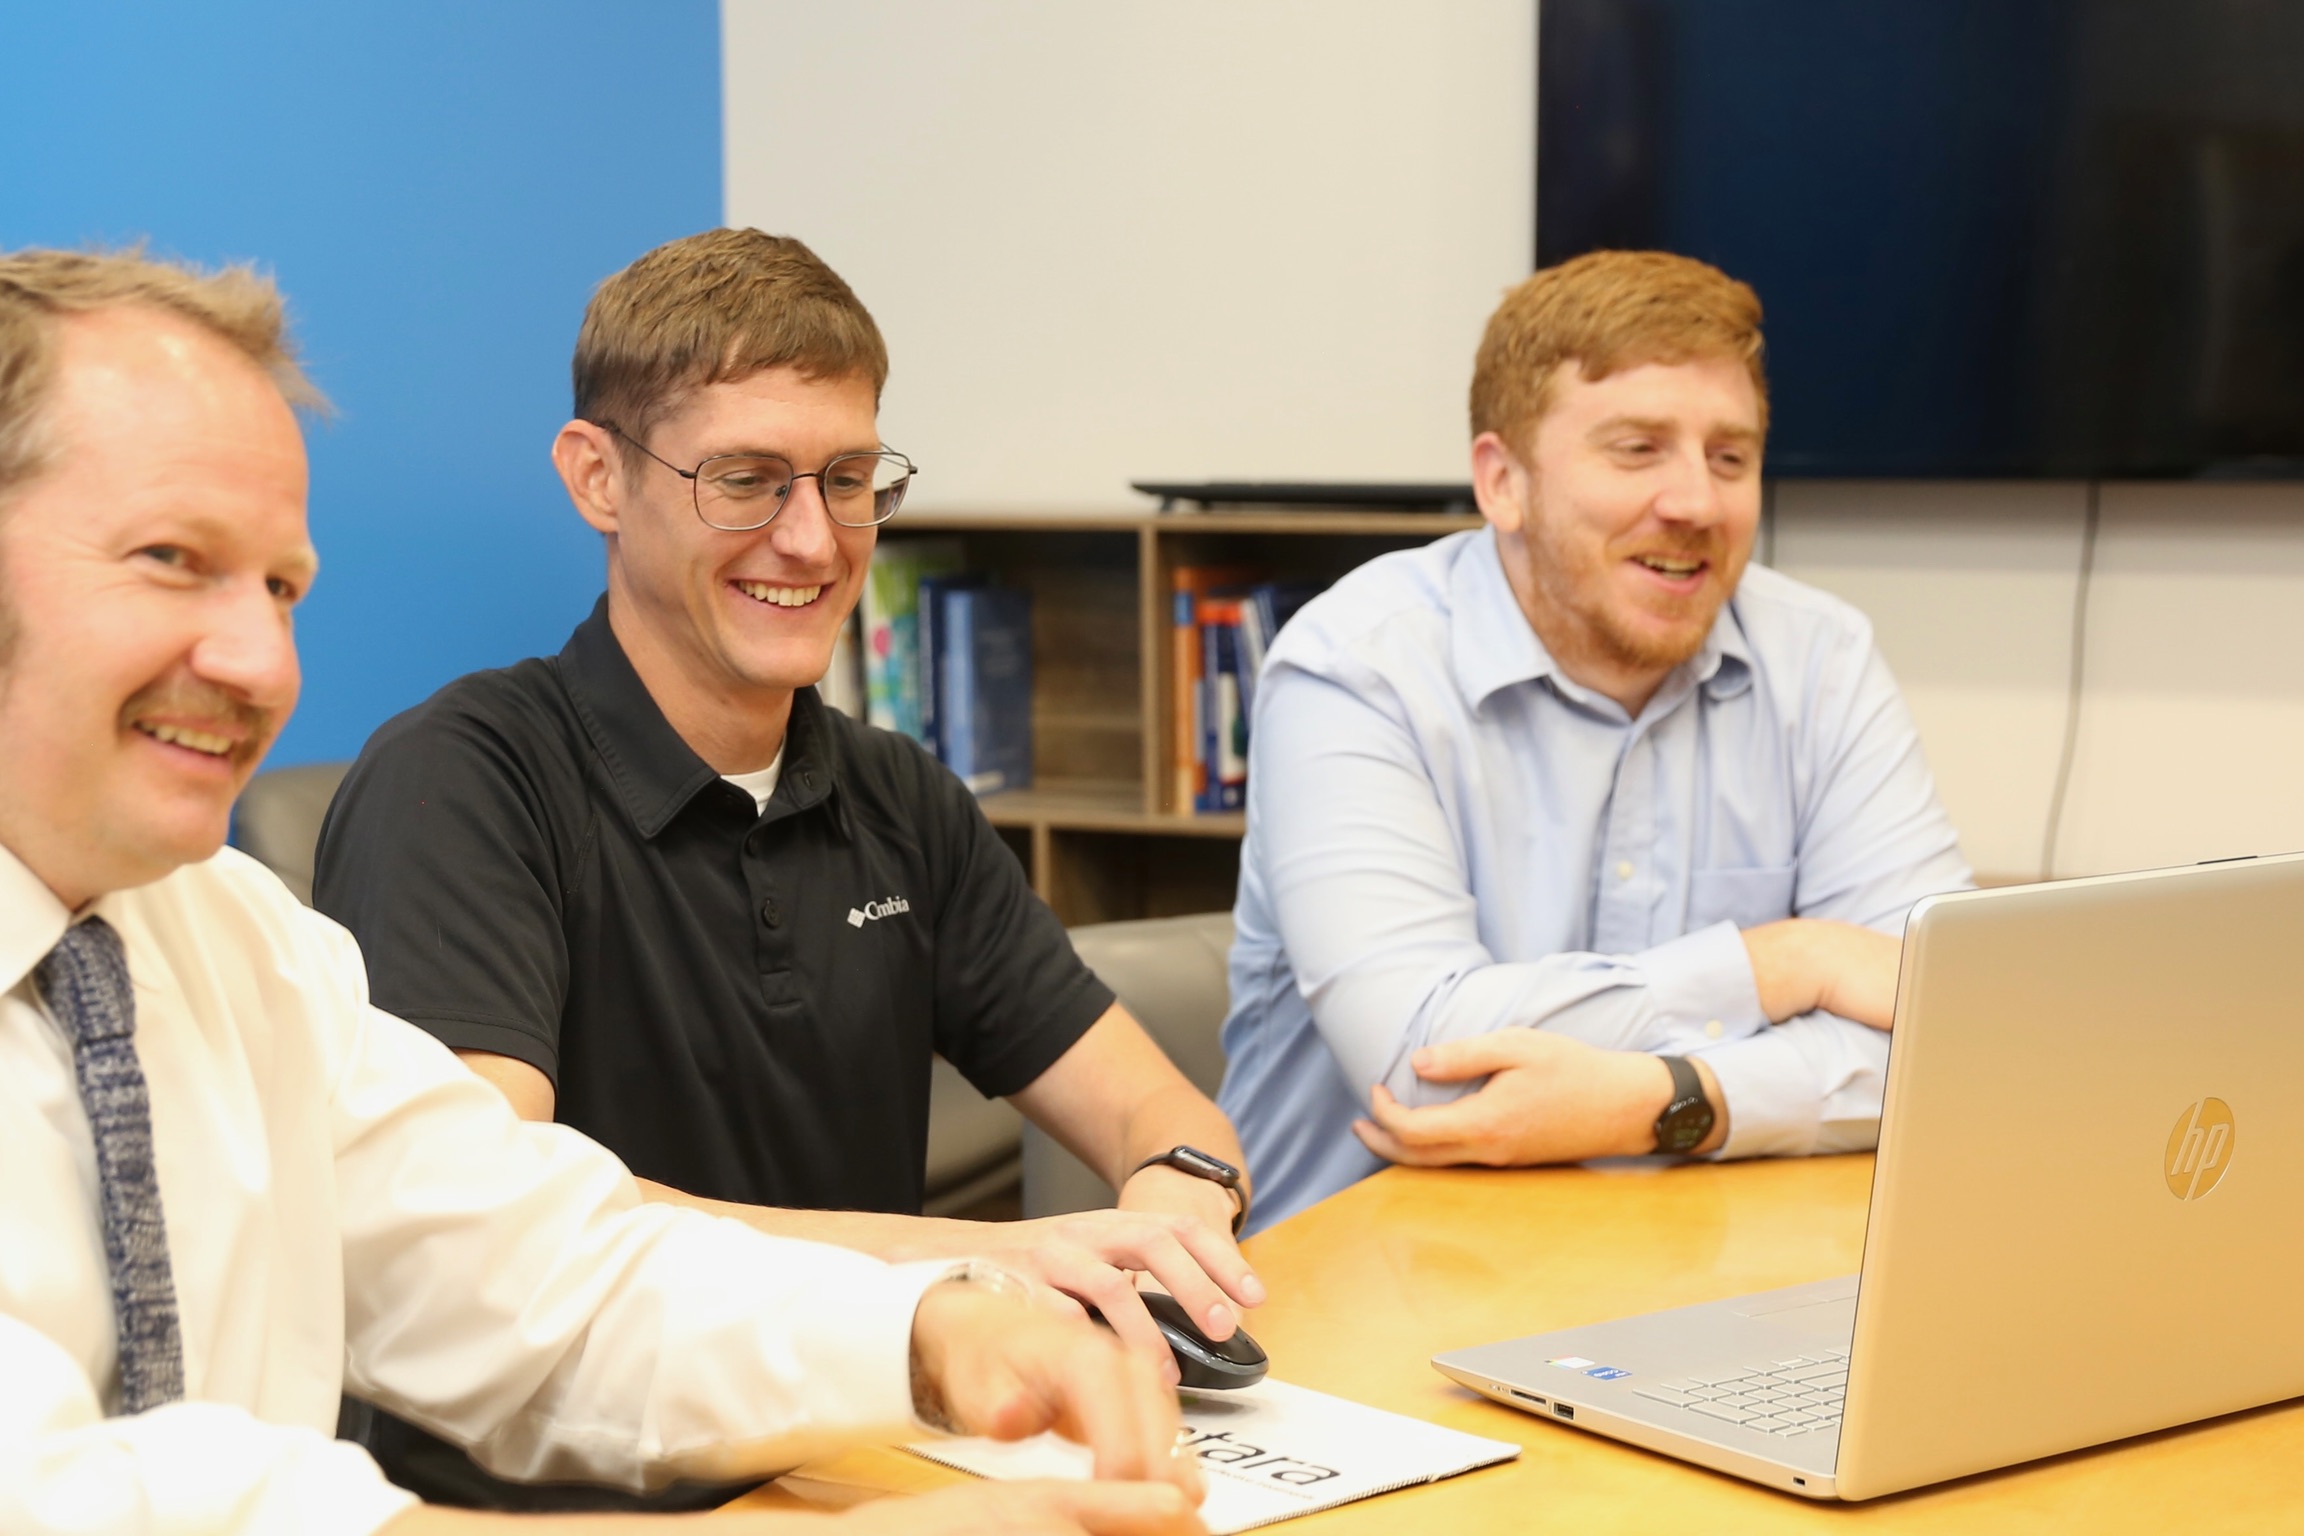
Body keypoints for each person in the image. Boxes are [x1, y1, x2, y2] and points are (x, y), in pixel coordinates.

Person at [0, 246, 1206, 1536]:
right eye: (171, 558)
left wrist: (928, 1333)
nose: (263, 662)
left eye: (282, 586)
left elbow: (532, 1268)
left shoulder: (234, 943)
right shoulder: (467, 777)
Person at [311, 230, 1260, 1508]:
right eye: (747, 481)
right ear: (597, 476)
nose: (813, 541)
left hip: (865, 1467)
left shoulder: (899, 797)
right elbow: (500, 1225)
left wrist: (1177, 1204)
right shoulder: (461, 781)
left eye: (849, 480)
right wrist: (967, 1278)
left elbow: (1160, 1111)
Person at [1216, 250, 1973, 1233]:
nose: (1696, 503)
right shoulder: (1356, 671)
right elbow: (1424, 1066)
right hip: (1362, 1269)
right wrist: (1793, 963)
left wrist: (1663, 1102)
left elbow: (1951, 1036)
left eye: (1730, 458)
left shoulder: (1820, 659)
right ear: (1503, 483)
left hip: (1697, 1262)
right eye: (1637, 449)